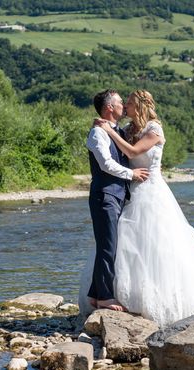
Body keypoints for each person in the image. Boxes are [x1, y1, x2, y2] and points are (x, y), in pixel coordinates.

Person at [81, 89, 194, 327]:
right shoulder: (128, 129)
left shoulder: (154, 129)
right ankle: (112, 295)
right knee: (119, 244)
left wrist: (108, 131)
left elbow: (133, 152)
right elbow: (115, 146)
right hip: (130, 192)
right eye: (122, 102)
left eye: (129, 102)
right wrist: (106, 128)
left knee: (156, 246)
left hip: (151, 191)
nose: (125, 106)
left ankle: (157, 302)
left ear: (140, 105)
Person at [83, 89, 150, 312]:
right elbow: (105, 164)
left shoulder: (116, 131)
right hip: (105, 195)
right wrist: (132, 175)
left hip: (116, 196)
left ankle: (94, 294)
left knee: (110, 245)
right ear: (110, 107)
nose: (124, 106)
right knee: (107, 247)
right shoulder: (97, 134)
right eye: (121, 102)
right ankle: (104, 297)